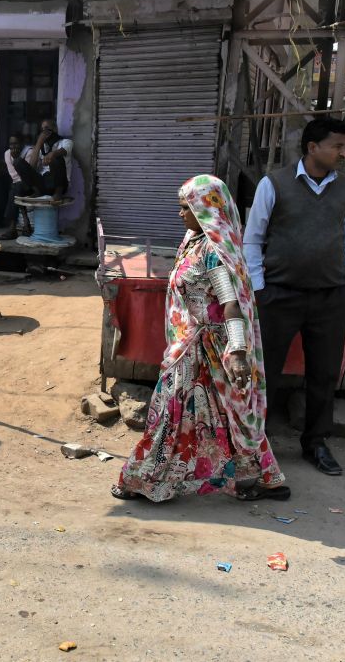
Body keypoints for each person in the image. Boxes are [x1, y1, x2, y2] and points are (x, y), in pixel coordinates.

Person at [112, 174, 288, 503]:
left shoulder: (214, 253)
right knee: (222, 413)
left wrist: (236, 352)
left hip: (205, 349)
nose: (180, 213)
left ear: (206, 209)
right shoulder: (192, 241)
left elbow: (231, 305)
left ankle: (143, 479)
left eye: (186, 207)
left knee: (170, 410)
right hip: (190, 346)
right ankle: (261, 478)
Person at [243, 117, 345, 476]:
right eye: (337, 146)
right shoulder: (273, 184)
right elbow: (253, 238)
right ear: (313, 148)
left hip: (329, 298)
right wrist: (260, 288)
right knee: (267, 372)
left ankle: (315, 443)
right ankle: (255, 445)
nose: (343, 153)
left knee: (324, 374)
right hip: (279, 296)